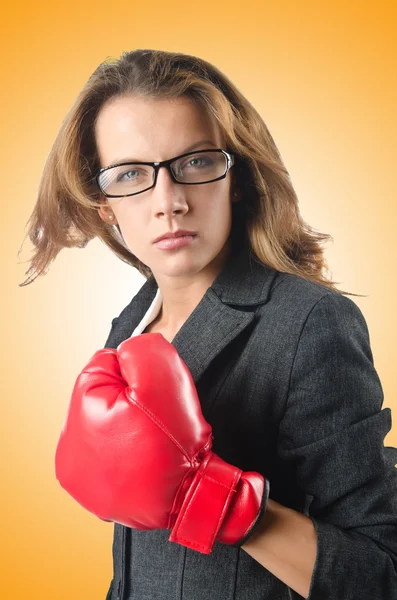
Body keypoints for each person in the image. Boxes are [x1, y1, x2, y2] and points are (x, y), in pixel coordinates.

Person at [20, 49, 397, 600]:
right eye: (130, 174)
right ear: (105, 205)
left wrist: (216, 499)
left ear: (235, 177)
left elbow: (380, 577)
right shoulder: (129, 326)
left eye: (195, 163)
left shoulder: (309, 324)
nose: (168, 202)